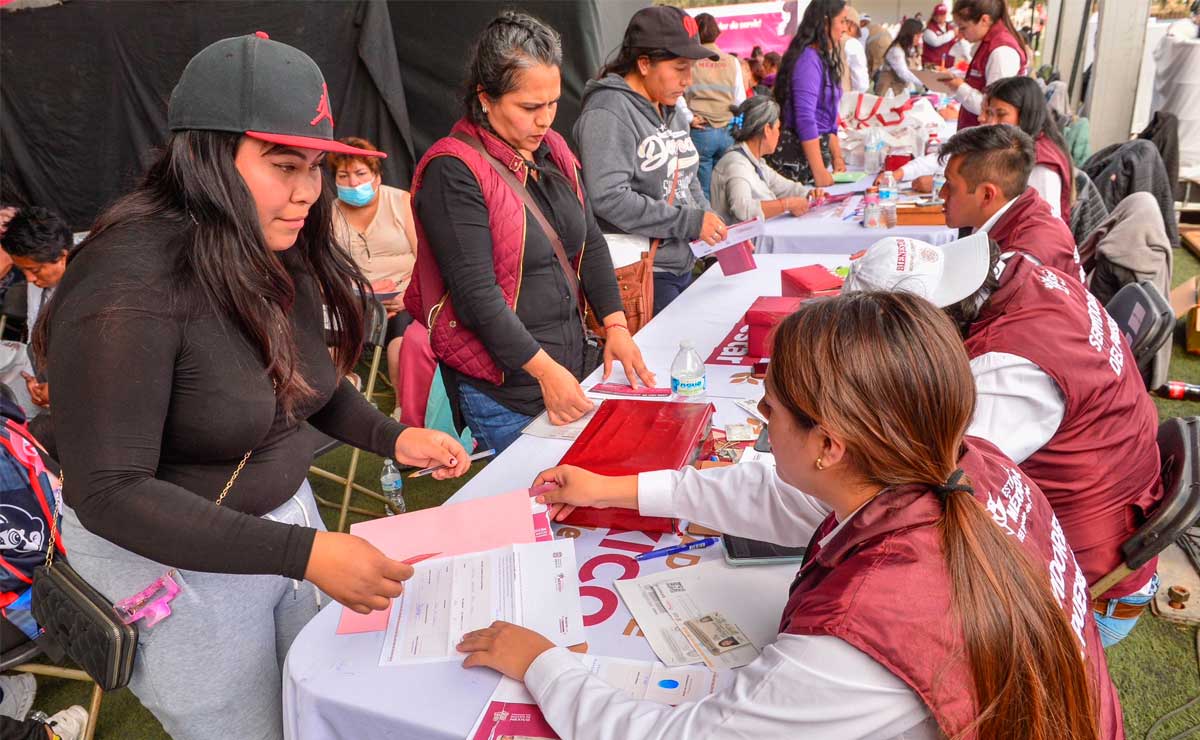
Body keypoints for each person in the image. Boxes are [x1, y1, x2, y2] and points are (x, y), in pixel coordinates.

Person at [36, 33, 471, 739]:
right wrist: (305, 555)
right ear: (206, 155)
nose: (307, 192)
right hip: (177, 572)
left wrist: (391, 436)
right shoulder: (128, 279)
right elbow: (110, 490)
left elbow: (310, 386)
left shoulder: (276, 241)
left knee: (319, 708)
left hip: (283, 529)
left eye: (314, 166)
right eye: (281, 164)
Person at [457, 291, 1123, 739]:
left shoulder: (857, 641)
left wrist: (544, 663)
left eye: (770, 413)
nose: (760, 428)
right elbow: (779, 497)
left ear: (831, 445)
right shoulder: (965, 462)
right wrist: (617, 491)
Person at [844, 234, 1163, 647]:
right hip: (1102, 534)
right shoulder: (1030, 278)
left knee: (883, 627)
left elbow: (930, 490)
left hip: (1088, 593)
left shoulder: (1009, 371)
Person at [411, 13, 654, 452]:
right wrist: (544, 372)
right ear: (485, 98)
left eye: (554, 104)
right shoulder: (453, 170)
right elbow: (477, 297)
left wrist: (616, 324)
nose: (545, 120)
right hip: (510, 390)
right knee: (538, 511)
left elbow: (590, 241)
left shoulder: (553, 149)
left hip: (570, 365)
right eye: (529, 108)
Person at [575, 5, 729, 315]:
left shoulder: (670, 107)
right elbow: (608, 198)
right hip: (642, 276)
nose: (688, 80)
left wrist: (716, 228)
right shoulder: (608, 110)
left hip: (681, 263)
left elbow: (687, 180)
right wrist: (690, 222)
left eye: (691, 68)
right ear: (644, 63)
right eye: (680, 67)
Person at [327, 136, 417, 409]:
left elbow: (426, 258)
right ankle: (342, 395)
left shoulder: (401, 202)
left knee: (400, 346)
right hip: (355, 299)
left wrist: (409, 295)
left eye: (360, 173)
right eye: (344, 175)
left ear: (376, 176)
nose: (353, 182)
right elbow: (327, 268)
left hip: (404, 296)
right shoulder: (330, 213)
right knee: (324, 334)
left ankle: (403, 412)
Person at [938, 125, 1080, 278]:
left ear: (987, 195)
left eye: (950, 185)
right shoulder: (1029, 206)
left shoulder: (1019, 265)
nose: (942, 193)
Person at [0, 207, 72, 415]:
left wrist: (60, 388)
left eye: (34, 271)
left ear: (63, 257)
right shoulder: (40, 271)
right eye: (23, 270)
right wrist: (40, 382)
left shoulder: (89, 287)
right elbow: (36, 334)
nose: (29, 279)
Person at [768, 0, 848, 187]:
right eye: (842, 21)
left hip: (812, 160)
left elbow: (829, 116)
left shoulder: (821, 59)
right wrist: (819, 171)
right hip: (798, 163)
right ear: (826, 22)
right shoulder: (808, 60)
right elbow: (805, 117)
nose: (845, 28)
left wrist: (837, 157)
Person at [710, 96, 817, 224]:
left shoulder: (755, 162)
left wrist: (809, 194)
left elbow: (784, 187)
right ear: (767, 129)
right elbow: (742, 209)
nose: (779, 134)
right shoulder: (736, 164)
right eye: (777, 128)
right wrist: (786, 204)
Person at [980, 76, 1074, 220]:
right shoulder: (1020, 147)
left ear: (1025, 114)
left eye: (1001, 114)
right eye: (991, 114)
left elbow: (1045, 223)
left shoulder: (1040, 164)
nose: (992, 123)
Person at [683, 13, 746, 200]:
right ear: (716, 33)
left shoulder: (691, 61)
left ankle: (710, 226)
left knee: (702, 190)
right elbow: (739, 100)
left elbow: (678, 95)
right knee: (725, 186)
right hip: (726, 131)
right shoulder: (732, 62)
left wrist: (689, 117)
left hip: (701, 130)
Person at [945, 0, 1028, 129]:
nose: (960, 34)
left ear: (985, 20)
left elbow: (994, 110)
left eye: (963, 28)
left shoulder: (1002, 52)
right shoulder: (988, 43)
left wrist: (959, 87)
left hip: (986, 138)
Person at [876, 19, 926, 96]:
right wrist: (924, 82)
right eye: (917, 36)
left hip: (898, 91)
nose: (919, 39)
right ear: (909, 34)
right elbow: (903, 73)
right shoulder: (896, 51)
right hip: (888, 92)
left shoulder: (908, 49)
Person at [840, 6, 869, 93]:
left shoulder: (820, 40)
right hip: (843, 101)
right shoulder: (852, 44)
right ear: (851, 25)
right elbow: (862, 85)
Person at [922, 3, 957, 68]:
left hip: (947, 65)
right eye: (937, 14)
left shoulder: (950, 27)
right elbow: (935, 42)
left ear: (946, 15)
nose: (939, 17)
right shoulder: (929, 29)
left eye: (942, 14)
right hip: (931, 65)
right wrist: (952, 33)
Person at [860, 14, 894, 79]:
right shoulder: (877, 26)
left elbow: (861, 48)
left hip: (879, 48)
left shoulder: (864, 29)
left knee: (877, 69)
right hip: (889, 46)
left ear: (863, 22)